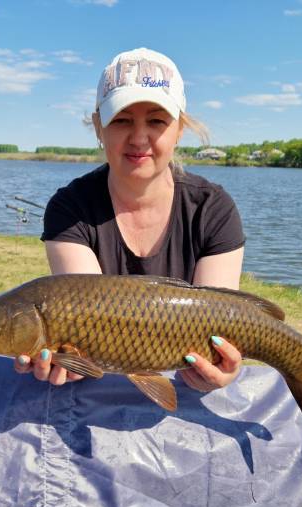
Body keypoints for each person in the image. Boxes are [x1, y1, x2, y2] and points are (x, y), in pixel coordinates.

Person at [15, 48, 247, 394]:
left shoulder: (214, 209)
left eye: (156, 121)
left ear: (180, 129)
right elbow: (92, 328)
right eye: (122, 120)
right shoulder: (70, 207)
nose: (139, 138)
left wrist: (223, 369)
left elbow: (224, 323)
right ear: (99, 127)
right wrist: (74, 362)